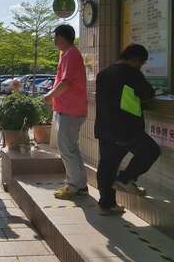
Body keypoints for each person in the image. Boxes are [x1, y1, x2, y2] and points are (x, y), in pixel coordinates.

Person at [95, 44, 160, 215]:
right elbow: (147, 94)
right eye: (141, 63)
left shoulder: (103, 73)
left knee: (107, 166)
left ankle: (107, 205)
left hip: (105, 128)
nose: (141, 67)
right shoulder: (132, 72)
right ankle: (125, 179)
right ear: (135, 59)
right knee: (151, 151)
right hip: (126, 128)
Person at [44, 24, 88, 200]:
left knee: (67, 151)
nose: (54, 41)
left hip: (70, 111)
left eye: (55, 37)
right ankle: (80, 185)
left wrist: (49, 96)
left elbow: (66, 83)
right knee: (71, 149)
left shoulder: (70, 54)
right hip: (69, 109)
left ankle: (74, 187)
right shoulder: (68, 54)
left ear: (62, 37)